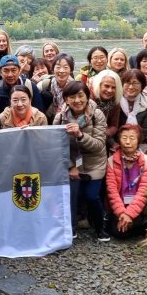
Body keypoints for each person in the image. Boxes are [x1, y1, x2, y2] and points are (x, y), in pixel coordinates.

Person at [53, 81, 109, 241]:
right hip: (71, 164)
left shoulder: (97, 115)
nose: (77, 100)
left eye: (80, 96)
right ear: (66, 99)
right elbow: (56, 146)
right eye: (72, 97)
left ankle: (100, 227)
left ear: (87, 96)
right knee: (70, 194)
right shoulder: (60, 118)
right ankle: (69, 228)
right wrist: (70, 166)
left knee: (91, 196)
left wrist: (80, 135)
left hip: (94, 163)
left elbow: (98, 145)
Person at [105, 124, 147, 239]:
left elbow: (144, 192)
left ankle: (140, 223)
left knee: (128, 228)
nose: (127, 142)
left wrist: (129, 214)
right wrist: (122, 213)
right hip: (120, 206)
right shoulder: (111, 161)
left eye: (132, 138)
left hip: (138, 207)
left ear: (138, 141)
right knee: (118, 233)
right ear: (119, 140)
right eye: (124, 138)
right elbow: (112, 192)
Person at [118, 70, 147, 151]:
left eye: (135, 83)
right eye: (127, 83)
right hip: (116, 145)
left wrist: (131, 146)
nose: (131, 87)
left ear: (142, 85)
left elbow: (145, 130)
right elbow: (110, 124)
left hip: (138, 144)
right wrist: (114, 143)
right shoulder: (116, 101)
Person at [38, 53, 75, 124]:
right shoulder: (44, 85)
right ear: (52, 69)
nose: (61, 71)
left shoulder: (75, 88)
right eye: (58, 67)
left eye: (65, 67)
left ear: (71, 70)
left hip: (68, 124)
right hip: (46, 123)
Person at [91, 69, 123, 147]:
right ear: (99, 85)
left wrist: (106, 133)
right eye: (106, 86)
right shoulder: (88, 98)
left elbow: (114, 125)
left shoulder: (115, 103)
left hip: (103, 138)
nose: (109, 90)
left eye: (113, 87)